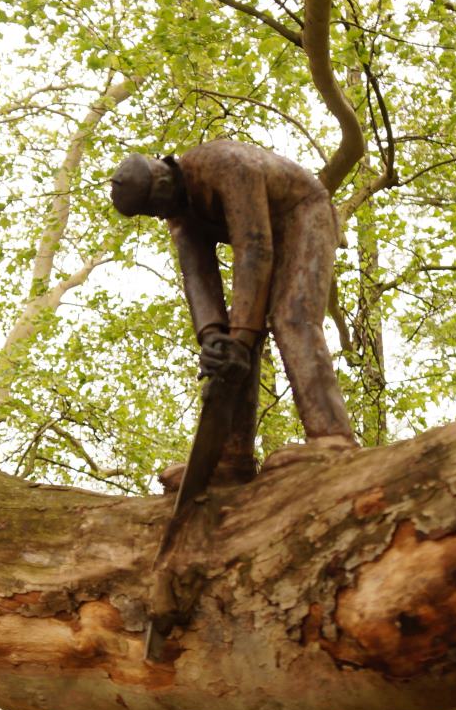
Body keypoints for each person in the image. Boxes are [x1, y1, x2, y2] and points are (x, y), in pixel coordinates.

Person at [109, 142, 356, 487]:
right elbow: (197, 275)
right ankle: (231, 459)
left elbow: (254, 246)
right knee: (233, 340)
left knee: (291, 316)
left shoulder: (225, 164)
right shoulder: (179, 214)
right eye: (155, 212)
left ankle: (332, 437)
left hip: (303, 214)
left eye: (159, 204)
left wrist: (240, 334)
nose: (163, 214)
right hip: (265, 236)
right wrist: (214, 338)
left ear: (164, 179)